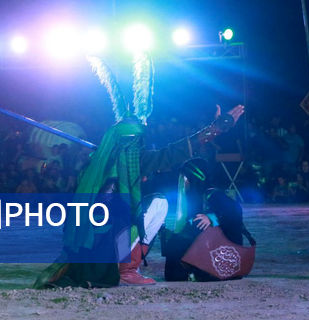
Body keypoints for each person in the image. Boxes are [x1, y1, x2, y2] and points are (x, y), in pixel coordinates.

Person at [34, 54, 244, 288]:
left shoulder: (104, 162)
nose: (136, 146)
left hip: (102, 244)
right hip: (103, 248)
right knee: (146, 209)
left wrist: (215, 129)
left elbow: (174, 152)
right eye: (134, 141)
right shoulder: (105, 170)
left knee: (149, 206)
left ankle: (126, 267)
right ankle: (126, 269)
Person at [162, 158, 254, 281]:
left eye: (185, 177)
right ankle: (183, 273)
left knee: (193, 227)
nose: (184, 182)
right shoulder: (195, 197)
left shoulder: (213, 194)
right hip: (210, 245)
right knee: (178, 238)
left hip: (225, 250)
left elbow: (235, 210)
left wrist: (211, 218)